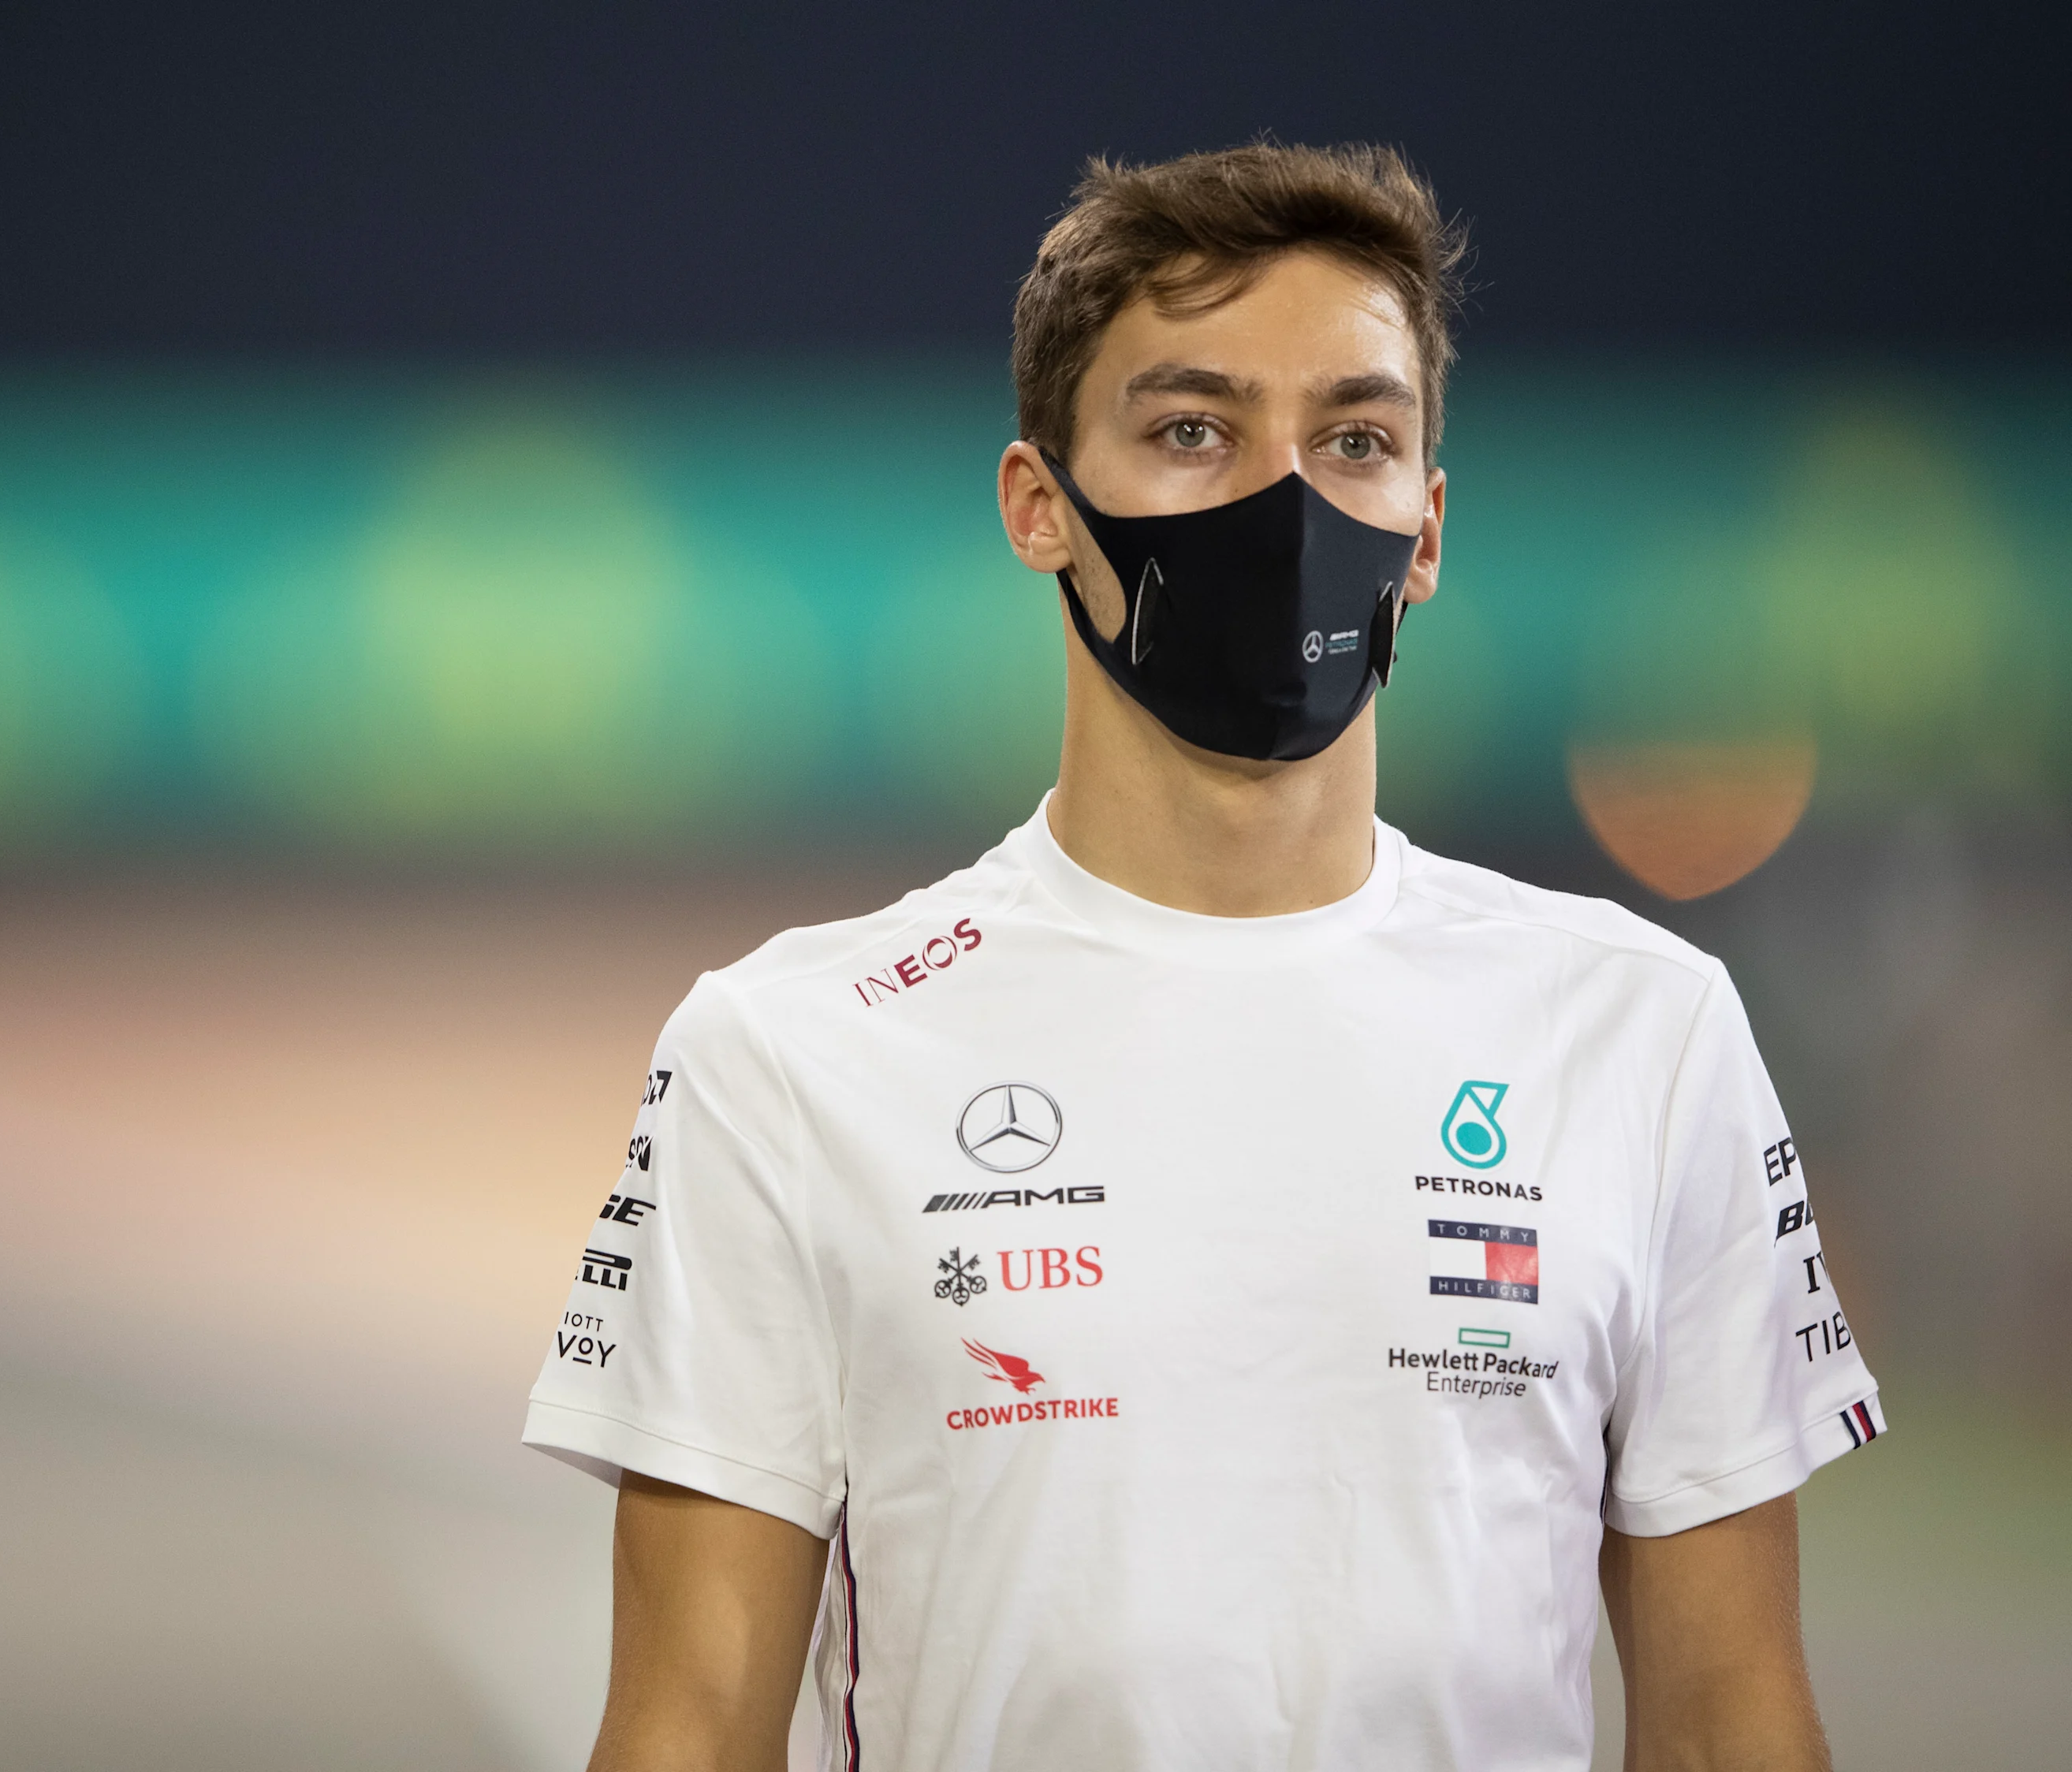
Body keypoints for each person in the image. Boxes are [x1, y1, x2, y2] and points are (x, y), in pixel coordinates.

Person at [524, 141, 1880, 1772]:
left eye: (1355, 438)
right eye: (1191, 429)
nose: (1284, 500)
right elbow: (683, 1723)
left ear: (1427, 527)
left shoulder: (1642, 1029)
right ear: (1041, 505)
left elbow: (1735, 1713)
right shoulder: (787, 1050)